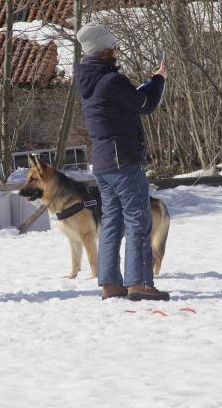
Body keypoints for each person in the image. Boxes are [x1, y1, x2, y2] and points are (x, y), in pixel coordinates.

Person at [73, 23, 170, 301]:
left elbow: (132, 100)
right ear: (103, 51)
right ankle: (139, 283)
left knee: (113, 223)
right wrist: (159, 80)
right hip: (123, 162)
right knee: (138, 220)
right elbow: (144, 105)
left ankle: (110, 283)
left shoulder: (91, 81)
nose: (117, 52)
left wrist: (150, 84)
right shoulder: (111, 81)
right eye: (114, 47)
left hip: (103, 165)